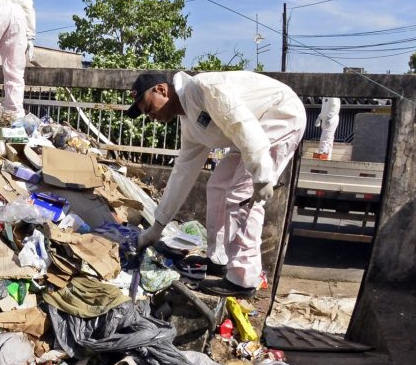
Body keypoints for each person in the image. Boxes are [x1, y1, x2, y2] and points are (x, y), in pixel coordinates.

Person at [127, 69, 305, 297]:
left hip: (279, 115)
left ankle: (244, 279)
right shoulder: (190, 123)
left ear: (161, 90)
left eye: (149, 108)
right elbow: (183, 172)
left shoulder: (203, 88)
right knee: (218, 187)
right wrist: (157, 226)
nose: (150, 116)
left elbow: (241, 123)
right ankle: (219, 259)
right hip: (251, 133)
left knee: (241, 193)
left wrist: (261, 175)